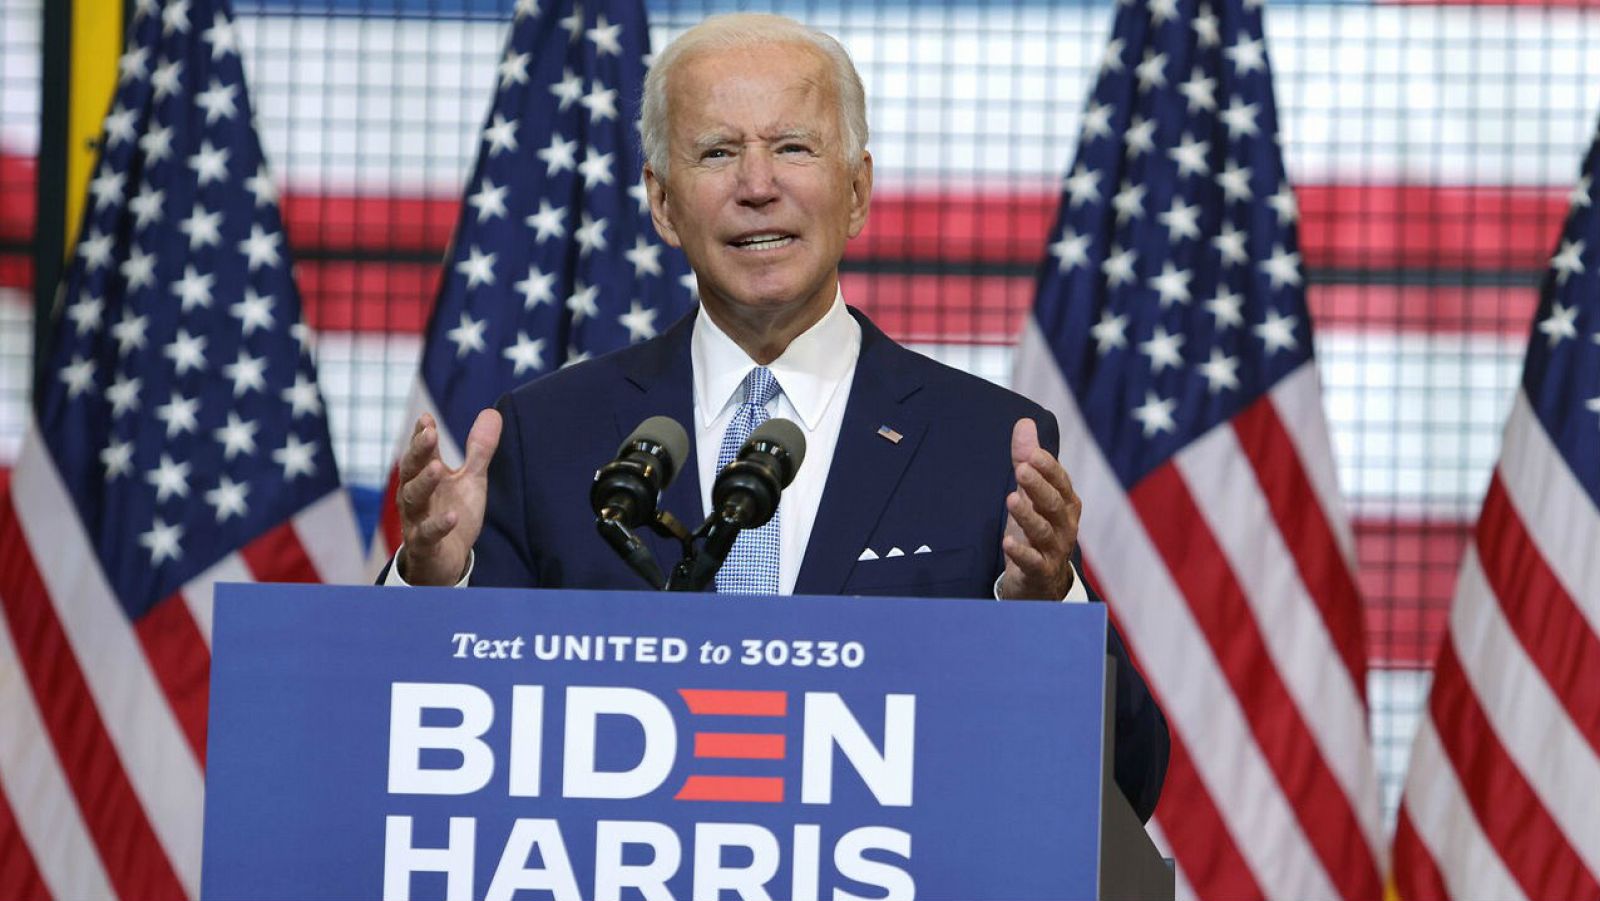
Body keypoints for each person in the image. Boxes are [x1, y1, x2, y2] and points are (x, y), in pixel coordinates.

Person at [386, 13, 1168, 821]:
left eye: (793, 147)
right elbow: (428, 748)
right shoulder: (549, 434)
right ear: (661, 203)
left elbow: (1128, 782)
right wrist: (434, 584)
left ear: (857, 190)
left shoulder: (984, 444)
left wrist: (1045, 614)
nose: (758, 184)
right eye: (717, 152)